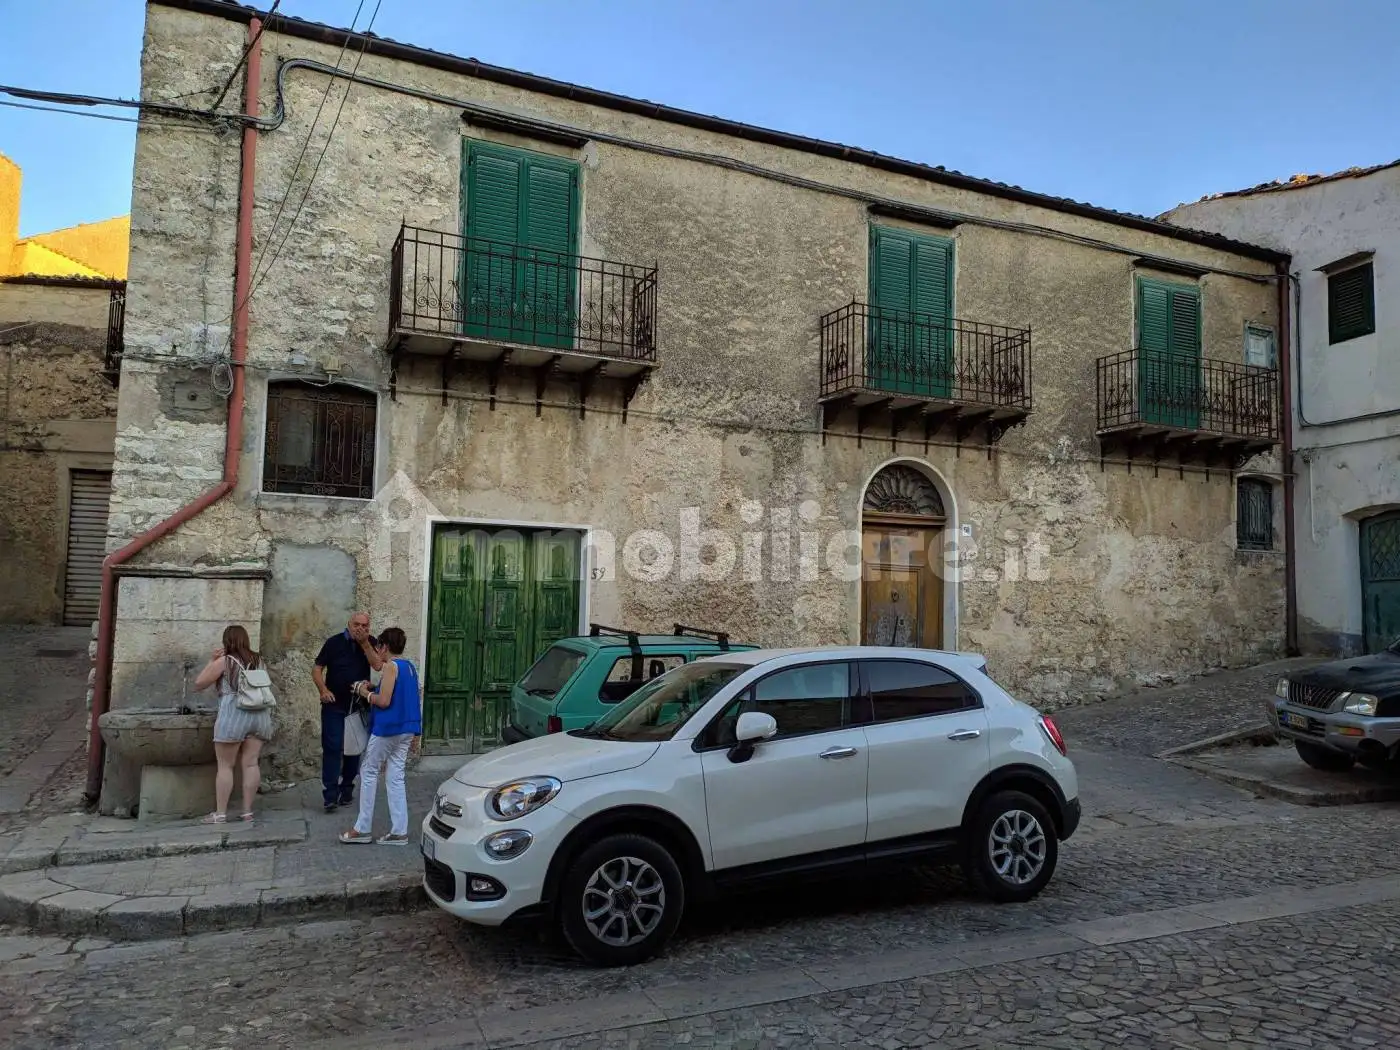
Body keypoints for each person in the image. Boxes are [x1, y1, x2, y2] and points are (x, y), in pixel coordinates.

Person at [339, 627, 422, 846]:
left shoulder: (391, 667)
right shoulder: (409, 667)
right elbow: (401, 693)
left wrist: (363, 692)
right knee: (395, 776)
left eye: (379, 647)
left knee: (368, 770)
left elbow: (384, 701)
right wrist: (374, 687)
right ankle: (399, 831)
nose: (378, 651)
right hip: (407, 729)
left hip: (388, 728)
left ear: (384, 646)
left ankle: (363, 827)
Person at [193, 625, 273, 824]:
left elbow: (199, 683)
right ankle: (247, 812)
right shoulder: (259, 660)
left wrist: (211, 661)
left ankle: (220, 814)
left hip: (234, 714)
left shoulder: (225, 661)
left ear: (227, 641)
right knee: (251, 762)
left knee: (225, 766)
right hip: (260, 714)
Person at [312, 612, 384, 813]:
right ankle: (330, 795)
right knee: (333, 747)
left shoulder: (370, 642)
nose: (361, 628)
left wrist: (365, 644)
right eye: (357, 625)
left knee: (354, 748)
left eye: (365, 625)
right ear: (349, 625)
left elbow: (378, 665)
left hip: (358, 704)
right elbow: (317, 669)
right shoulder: (334, 642)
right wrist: (323, 690)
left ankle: (347, 789)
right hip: (334, 704)